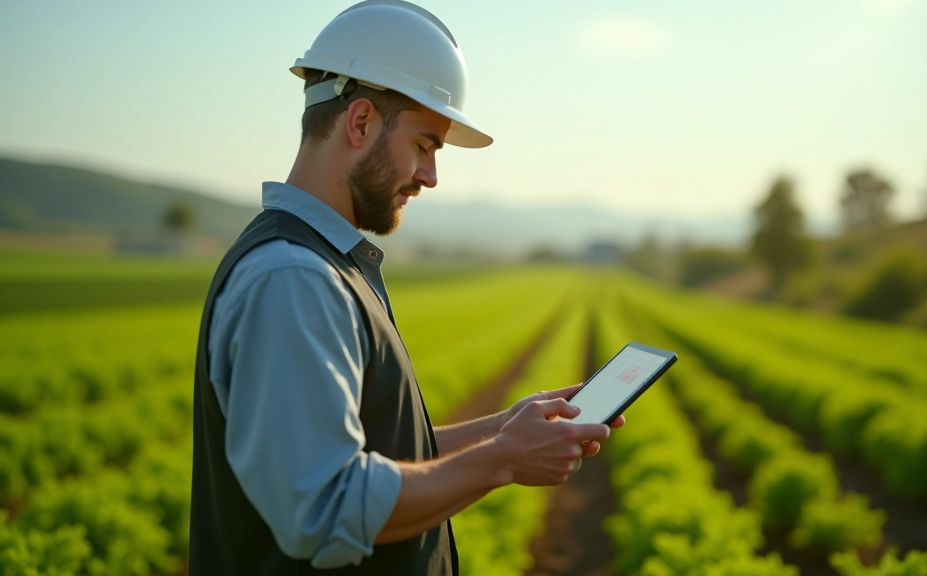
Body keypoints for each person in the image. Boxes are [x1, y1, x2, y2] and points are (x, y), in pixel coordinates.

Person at [188, 2, 623, 575]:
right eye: (424, 145)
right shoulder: (295, 278)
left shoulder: (319, 263)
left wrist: (501, 429)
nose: (430, 177)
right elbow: (326, 507)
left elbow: (373, 455)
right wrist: (501, 460)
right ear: (360, 122)